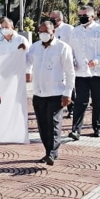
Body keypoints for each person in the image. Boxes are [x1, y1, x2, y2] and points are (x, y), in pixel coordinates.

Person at [26, 21, 75, 165]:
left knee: (53, 123)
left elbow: (70, 72)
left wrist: (68, 93)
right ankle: (49, 152)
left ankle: (52, 153)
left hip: (56, 93)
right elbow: (26, 62)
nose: (43, 34)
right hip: (39, 93)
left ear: (53, 31)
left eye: (46, 31)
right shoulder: (34, 47)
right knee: (43, 125)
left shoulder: (62, 47)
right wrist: (19, 52)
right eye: (40, 31)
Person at [68, 6, 100, 140]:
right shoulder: (75, 31)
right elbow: (71, 50)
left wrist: (97, 61)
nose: (82, 17)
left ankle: (97, 128)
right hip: (80, 72)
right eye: (80, 14)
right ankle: (76, 130)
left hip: (98, 72)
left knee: (98, 100)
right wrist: (73, 61)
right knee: (80, 100)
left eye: (85, 15)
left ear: (92, 16)